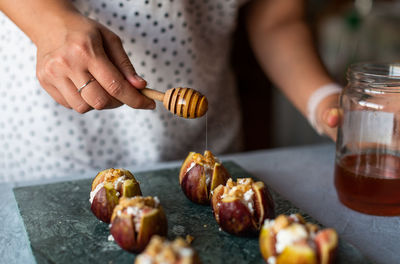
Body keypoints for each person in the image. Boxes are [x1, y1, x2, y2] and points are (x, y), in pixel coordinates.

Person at [0, 0, 340, 182]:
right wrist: (50, 24)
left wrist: (322, 99)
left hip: (202, 142)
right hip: (54, 152)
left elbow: (276, 19)